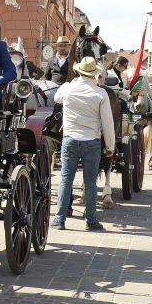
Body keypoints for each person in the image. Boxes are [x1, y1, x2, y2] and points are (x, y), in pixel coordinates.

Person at [52, 57, 115, 232]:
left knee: (66, 180)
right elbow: (108, 122)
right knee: (90, 182)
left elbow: (57, 98)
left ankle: (59, 219)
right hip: (91, 141)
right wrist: (110, 146)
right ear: (94, 74)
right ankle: (91, 221)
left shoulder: (68, 88)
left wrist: (70, 83)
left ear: (78, 71)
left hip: (70, 139)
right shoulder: (100, 93)